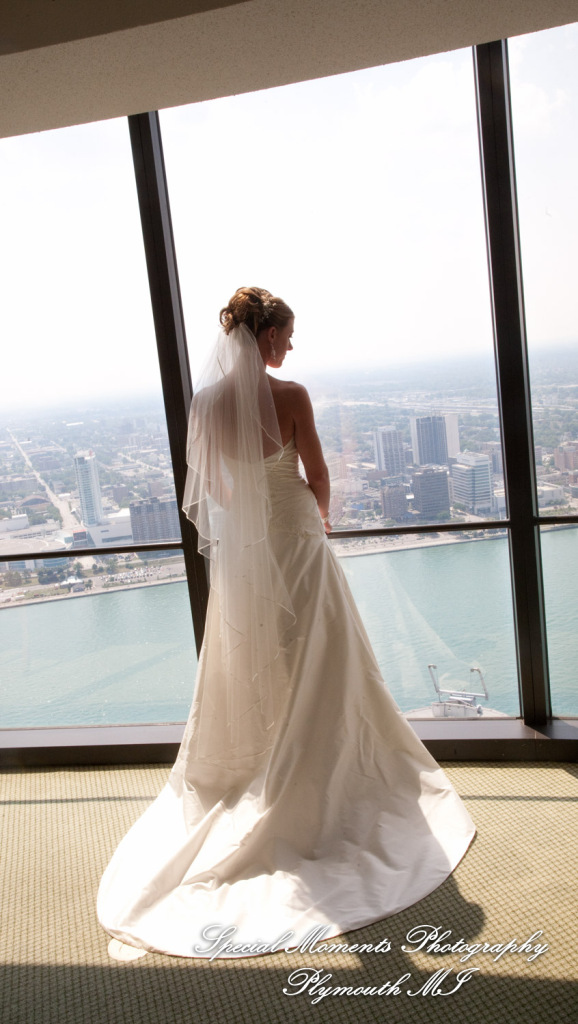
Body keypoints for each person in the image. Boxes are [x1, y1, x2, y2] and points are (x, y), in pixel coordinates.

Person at [97, 286, 475, 961]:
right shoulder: (293, 394)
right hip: (297, 535)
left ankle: (274, 762)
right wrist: (319, 517)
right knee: (324, 648)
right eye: (287, 336)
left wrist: (250, 521)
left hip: (248, 551)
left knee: (265, 656)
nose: (291, 348)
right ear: (266, 337)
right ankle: (326, 764)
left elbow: (211, 489)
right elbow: (319, 473)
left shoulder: (206, 403)